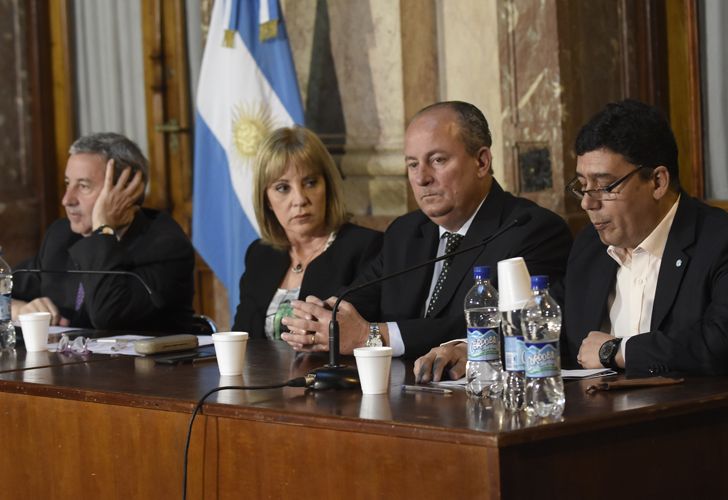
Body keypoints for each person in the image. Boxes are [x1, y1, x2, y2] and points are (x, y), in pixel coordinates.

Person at [283, 101, 572, 360]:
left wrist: (371, 337)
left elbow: (503, 325)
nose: (421, 178)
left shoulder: (531, 230)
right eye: (412, 164)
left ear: (481, 162)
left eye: (437, 161)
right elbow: (361, 296)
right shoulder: (406, 232)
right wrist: (321, 318)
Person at [563, 99, 728, 376]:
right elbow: (550, 329)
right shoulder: (589, 247)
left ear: (657, 182)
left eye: (604, 187)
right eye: (582, 186)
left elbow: (718, 341)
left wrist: (616, 351)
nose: (587, 204)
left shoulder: (717, 241)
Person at [11, 132, 195, 332]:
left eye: (83, 186)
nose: (67, 199)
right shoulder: (61, 235)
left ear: (124, 190)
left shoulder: (164, 244)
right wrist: (18, 309)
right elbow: (5, 285)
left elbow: (108, 316)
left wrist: (103, 229)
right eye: (67, 184)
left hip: (143, 364)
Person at [231, 126, 382, 340]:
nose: (300, 199)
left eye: (310, 183)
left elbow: (361, 337)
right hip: (260, 373)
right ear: (267, 200)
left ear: (328, 187)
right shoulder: (259, 254)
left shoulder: (365, 248)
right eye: (283, 188)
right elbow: (241, 335)